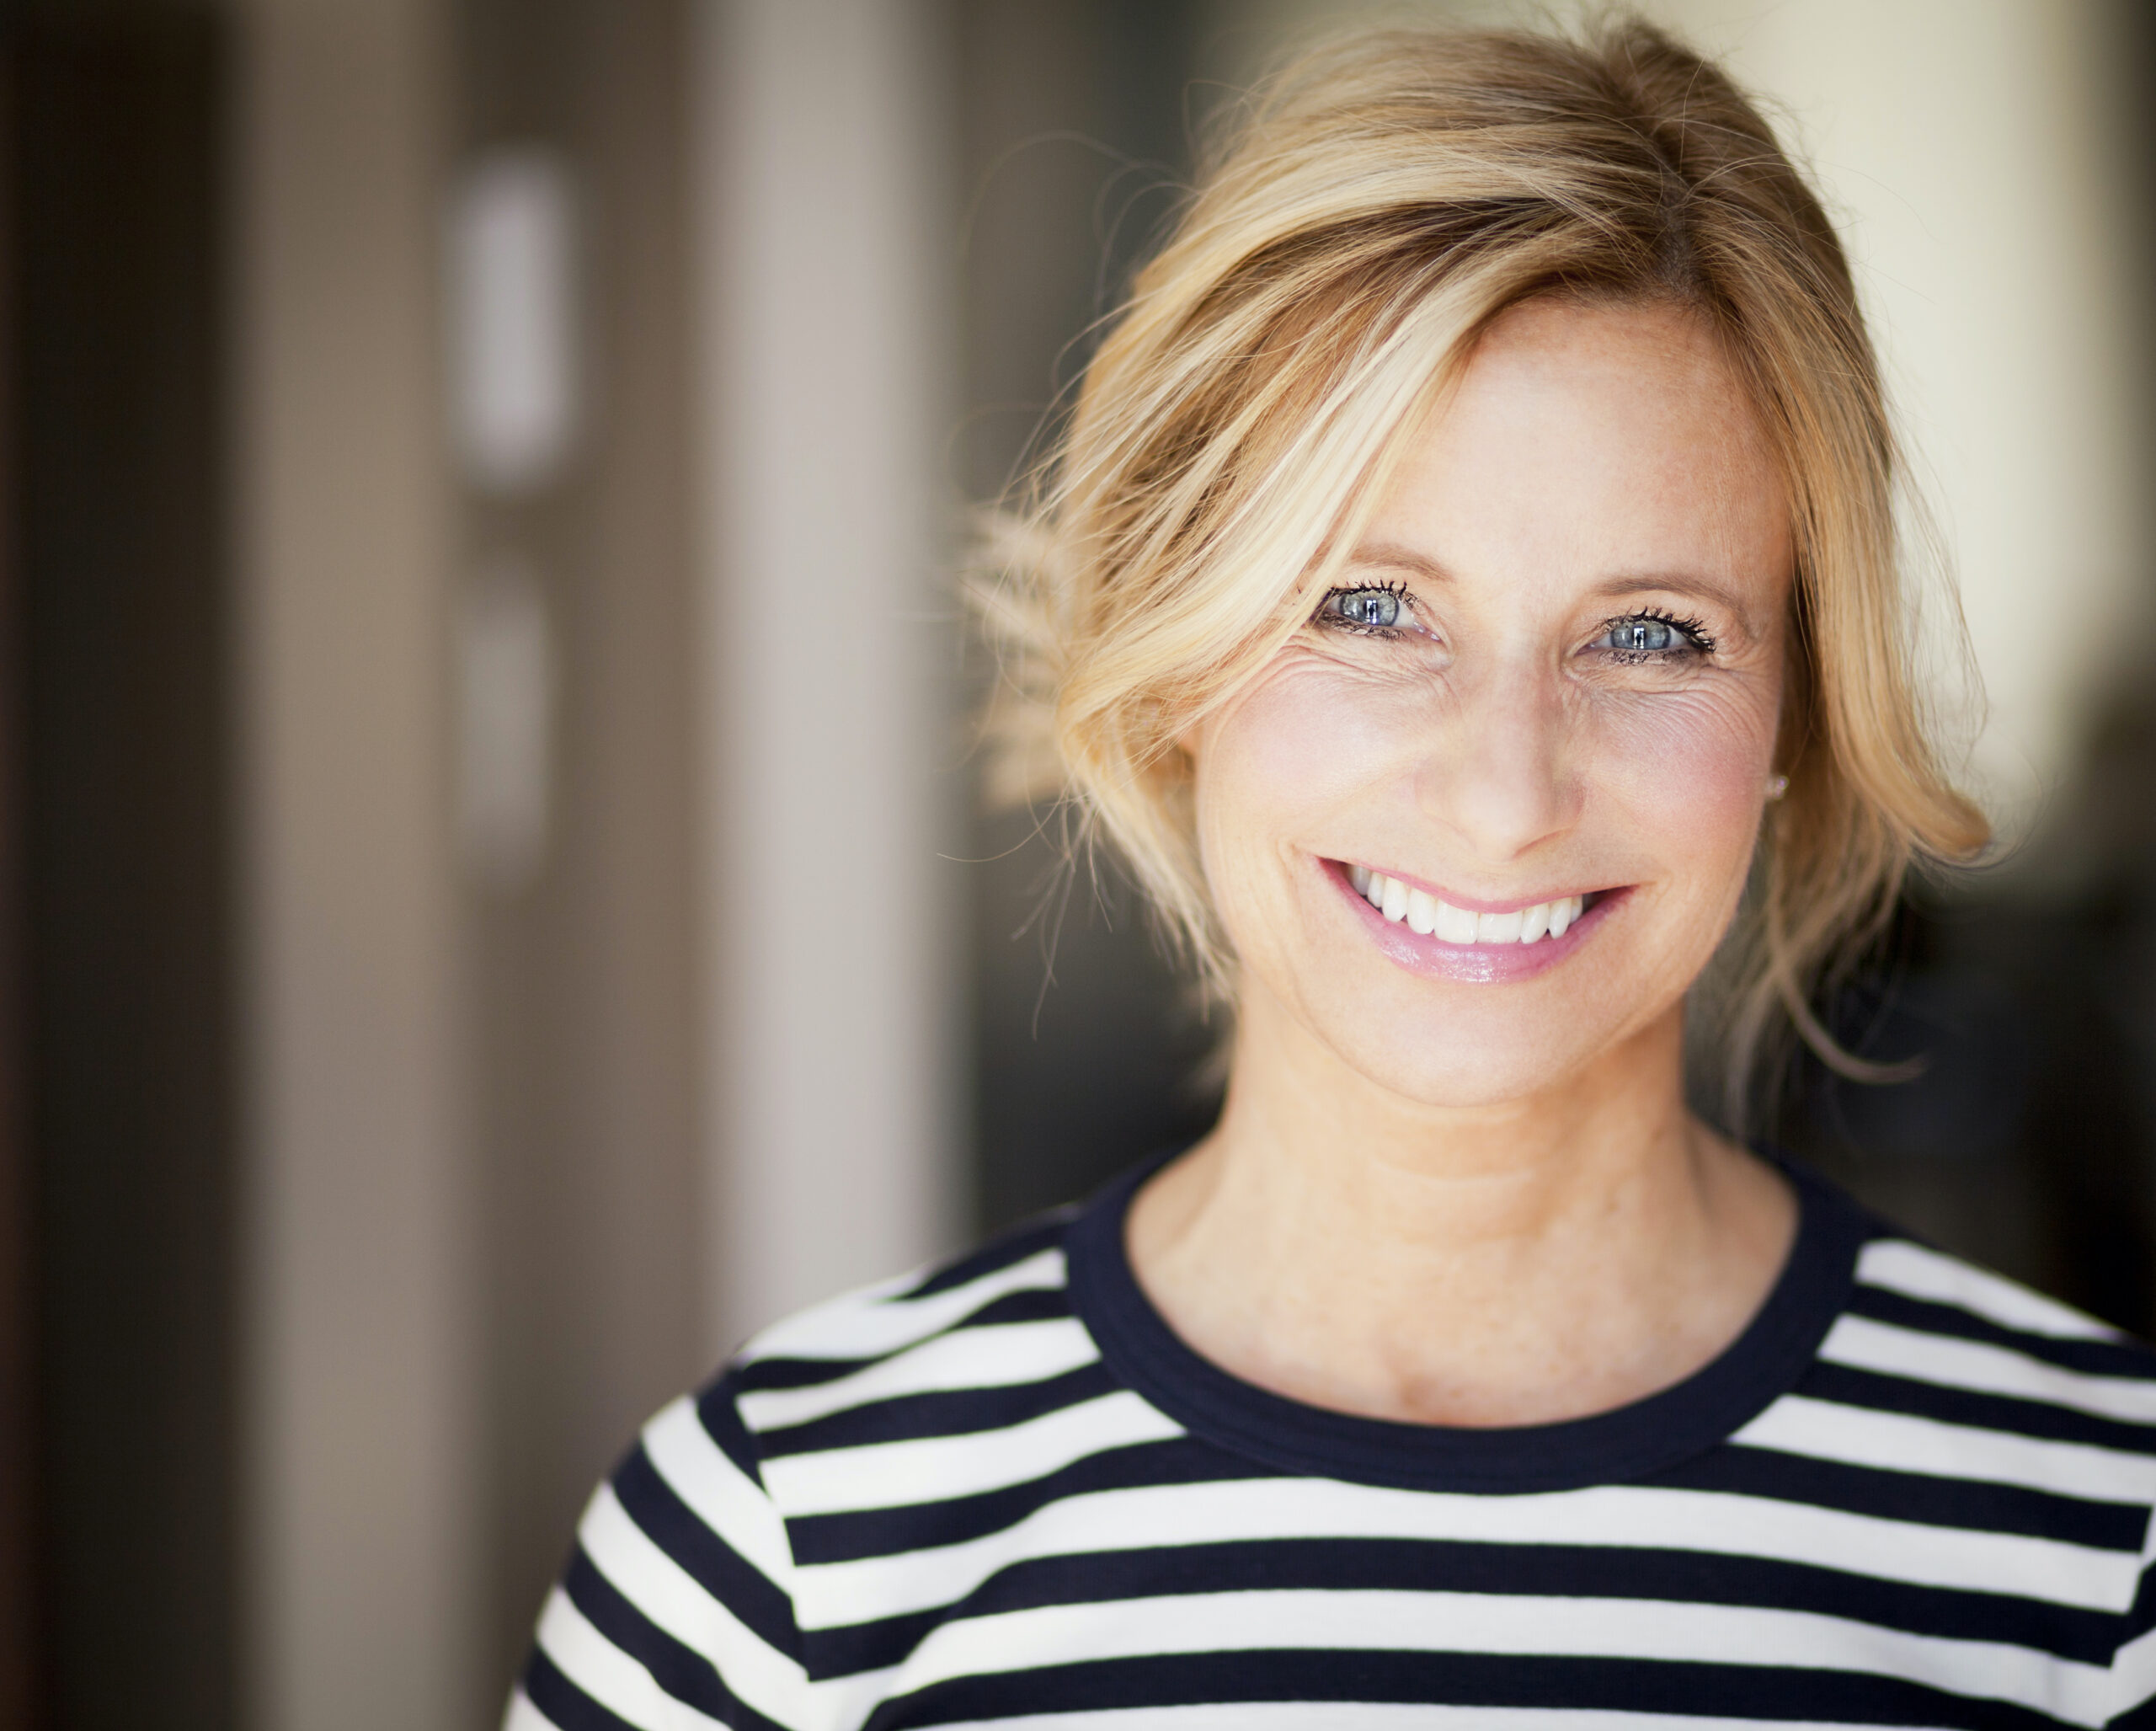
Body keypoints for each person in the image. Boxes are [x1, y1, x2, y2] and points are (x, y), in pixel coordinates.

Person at [508, 19, 2156, 1729]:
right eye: (1368, 608)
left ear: (1795, 707)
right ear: (1173, 648)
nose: (1507, 790)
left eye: (1651, 634)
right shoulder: (776, 1554)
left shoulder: (2100, 1553)